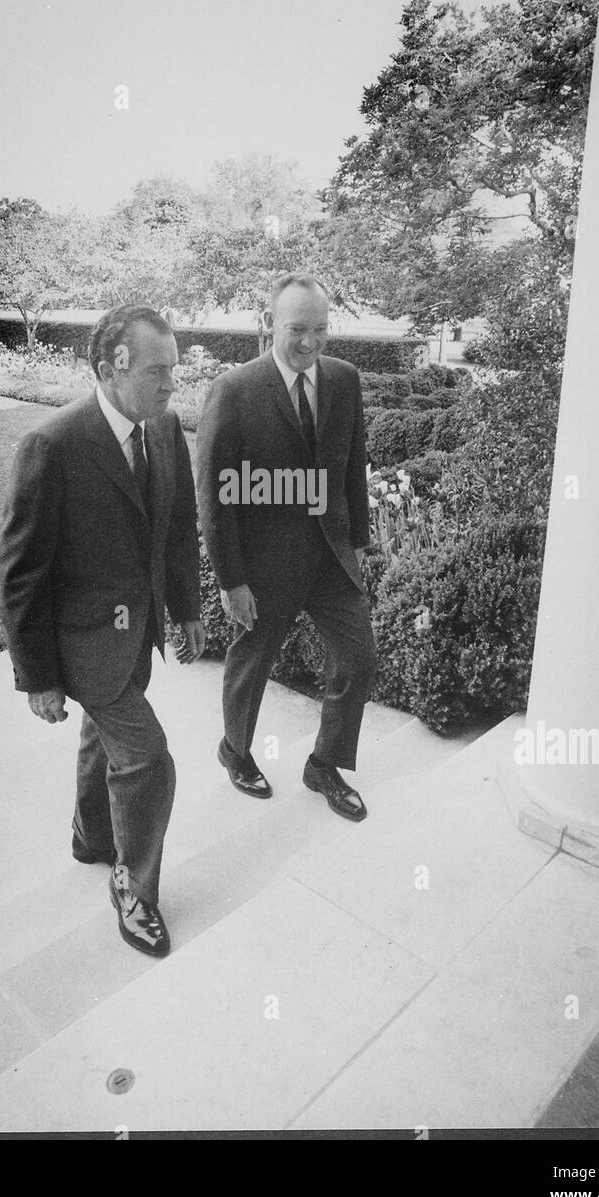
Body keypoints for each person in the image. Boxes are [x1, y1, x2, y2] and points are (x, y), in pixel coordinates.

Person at [0, 305, 205, 958]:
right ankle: (133, 889)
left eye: (174, 370)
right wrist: (39, 678)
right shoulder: (52, 445)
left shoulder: (164, 429)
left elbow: (175, 528)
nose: (171, 386)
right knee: (146, 758)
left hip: (136, 630)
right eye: (156, 372)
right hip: (81, 640)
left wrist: (187, 608)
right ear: (110, 368)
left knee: (104, 737)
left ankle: (91, 838)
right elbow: (22, 572)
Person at [197, 271, 376, 821]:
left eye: (320, 329)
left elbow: (351, 467)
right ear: (270, 323)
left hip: (329, 559)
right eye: (298, 328)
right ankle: (236, 750)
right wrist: (231, 581)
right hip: (263, 567)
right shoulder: (234, 390)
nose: (310, 341)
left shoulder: (344, 380)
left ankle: (324, 764)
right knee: (251, 666)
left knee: (359, 658)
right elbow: (214, 496)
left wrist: (360, 542)